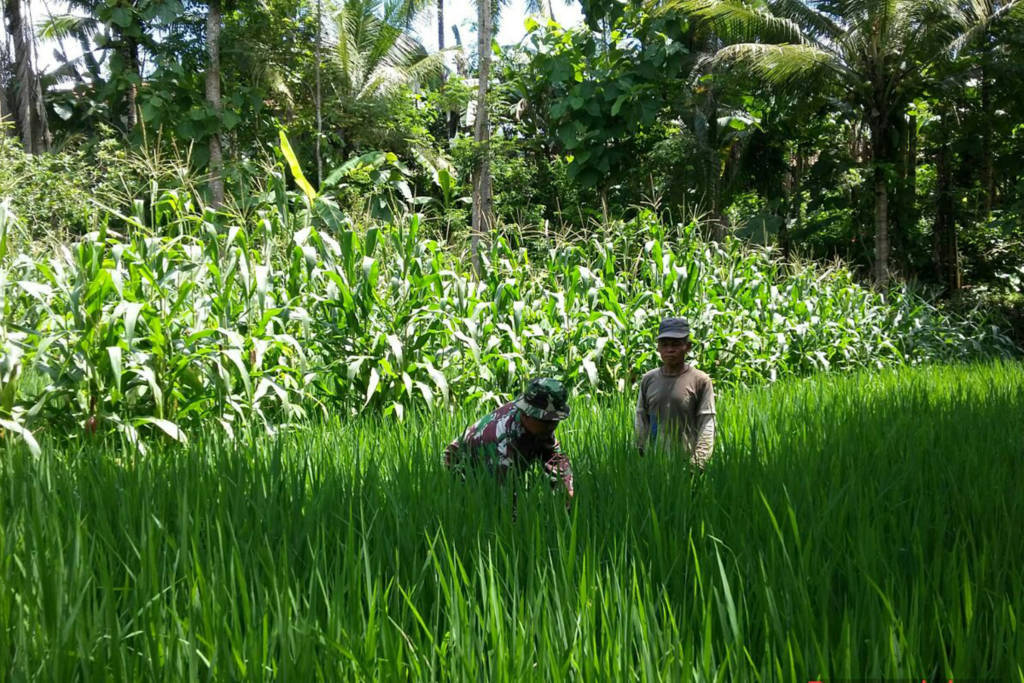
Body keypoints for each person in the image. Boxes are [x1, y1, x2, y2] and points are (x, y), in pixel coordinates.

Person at [444, 378, 574, 504]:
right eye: (545, 421)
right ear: (526, 414)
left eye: (555, 420)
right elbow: (505, 502)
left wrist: (566, 492)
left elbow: (553, 457)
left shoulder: (539, 426)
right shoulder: (503, 444)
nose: (551, 427)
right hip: (461, 466)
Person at [635, 317, 716, 469]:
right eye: (664, 345)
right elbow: (641, 419)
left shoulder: (700, 380)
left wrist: (697, 463)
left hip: (688, 464)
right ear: (658, 348)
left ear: (688, 346)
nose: (670, 350)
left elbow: (707, 424)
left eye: (676, 344)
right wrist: (641, 454)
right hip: (655, 464)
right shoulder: (648, 379)